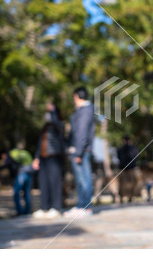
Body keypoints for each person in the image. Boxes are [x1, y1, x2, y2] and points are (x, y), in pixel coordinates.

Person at [64, 87, 95, 217]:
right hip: (81, 149)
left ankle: (84, 206)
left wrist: (78, 152)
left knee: (83, 179)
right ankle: (82, 205)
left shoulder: (84, 111)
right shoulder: (86, 110)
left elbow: (81, 132)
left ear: (76, 96)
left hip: (81, 150)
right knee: (82, 179)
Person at [32, 103, 65, 219]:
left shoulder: (59, 124)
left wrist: (53, 111)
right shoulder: (45, 127)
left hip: (54, 156)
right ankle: (44, 207)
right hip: (43, 157)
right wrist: (36, 157)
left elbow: (57, 124)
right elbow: (40, 143)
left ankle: (56, 207)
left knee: (54, 182)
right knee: (43, 183)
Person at [0, 145, 36, 215]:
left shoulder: (9, 156)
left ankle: (20, 212)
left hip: (22, 173)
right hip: (29, 172)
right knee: (26, 193)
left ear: (3, 154)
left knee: (16, 192)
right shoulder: (17, 154)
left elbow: (5, 165)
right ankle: (27, 211)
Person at [117, 135, 142, 203]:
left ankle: (123, 197)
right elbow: (136, 157)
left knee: (122, 184)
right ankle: (131, 197)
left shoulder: (121, 149)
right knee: (133, 183)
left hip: (124, 168)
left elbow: (119, 157)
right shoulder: (134, 149)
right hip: (131, 168)